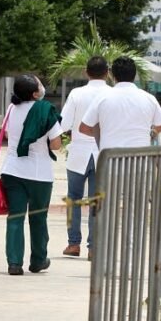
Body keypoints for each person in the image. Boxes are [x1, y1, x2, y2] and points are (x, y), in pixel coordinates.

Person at [1, 74, 63, 276]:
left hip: (12, 170)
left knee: (15, 216)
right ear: (35, 93)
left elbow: (9, 135)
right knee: (38, 218)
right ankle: (38, 260)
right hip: (39, 173)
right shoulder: (45, 110)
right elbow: (56, 144)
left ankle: (14, 263)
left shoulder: (11, 109)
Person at [59, 55, 110, 260]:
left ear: (86, 72)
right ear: (107, 73)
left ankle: (73, 244)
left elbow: (64, 124)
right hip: (102, 152)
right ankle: (93, 247)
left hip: (78, 152)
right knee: (96, 200)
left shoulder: (76, 93)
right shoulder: (112, 94)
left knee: (74, 198)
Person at [80, 56, 161, 150]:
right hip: (141, 157)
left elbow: (84, 128)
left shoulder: (102, 98)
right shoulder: (149, 99)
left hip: (110, 157)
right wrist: (151, 134)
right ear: (134, 75)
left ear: (112, 75)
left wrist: (103, 135)